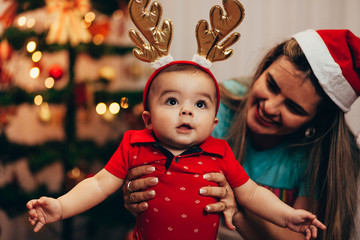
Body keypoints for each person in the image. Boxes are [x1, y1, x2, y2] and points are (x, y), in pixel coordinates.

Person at [26, 60, 326, 240]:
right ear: (148, 119)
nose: (186, 111)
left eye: (200, 104)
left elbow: (252, 194)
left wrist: (288, 216)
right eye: (172, 101)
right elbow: (99, 184)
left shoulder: (219, 152)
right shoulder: (135, 143)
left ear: (214, 122)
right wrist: (61, 207)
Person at [122, 29, 360, 240]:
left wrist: (235, 209)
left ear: (317, 121)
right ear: (263, 68)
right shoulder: (215, 109)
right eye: (271, 85)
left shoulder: (322, 154)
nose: (270, 107)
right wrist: (137, 191)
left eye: (294, 108)